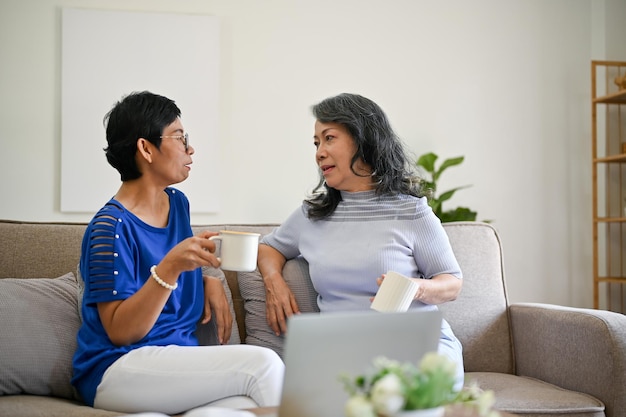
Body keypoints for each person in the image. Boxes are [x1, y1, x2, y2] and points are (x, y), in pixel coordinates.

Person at [71, 91, 284, 415]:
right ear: (146, 148)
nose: (190, 148)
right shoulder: (109, 228)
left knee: (240, 409)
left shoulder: (177, 205)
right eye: (180, 137)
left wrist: (205, 280)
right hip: (116, 367)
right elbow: (120, 331)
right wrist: (169, 268)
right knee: (264, 365)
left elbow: (178, 275)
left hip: (172, 363)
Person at [257, 92, 465, 390]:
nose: (319, 152)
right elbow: (269, 247)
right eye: (316, 143)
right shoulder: (312, 214)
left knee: (397, 393)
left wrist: (417, 288)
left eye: (329, 138)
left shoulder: (410, 210)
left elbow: (452, 282)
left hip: (416, 343)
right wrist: (274, 281)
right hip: (347, 348)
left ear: (362, 138)